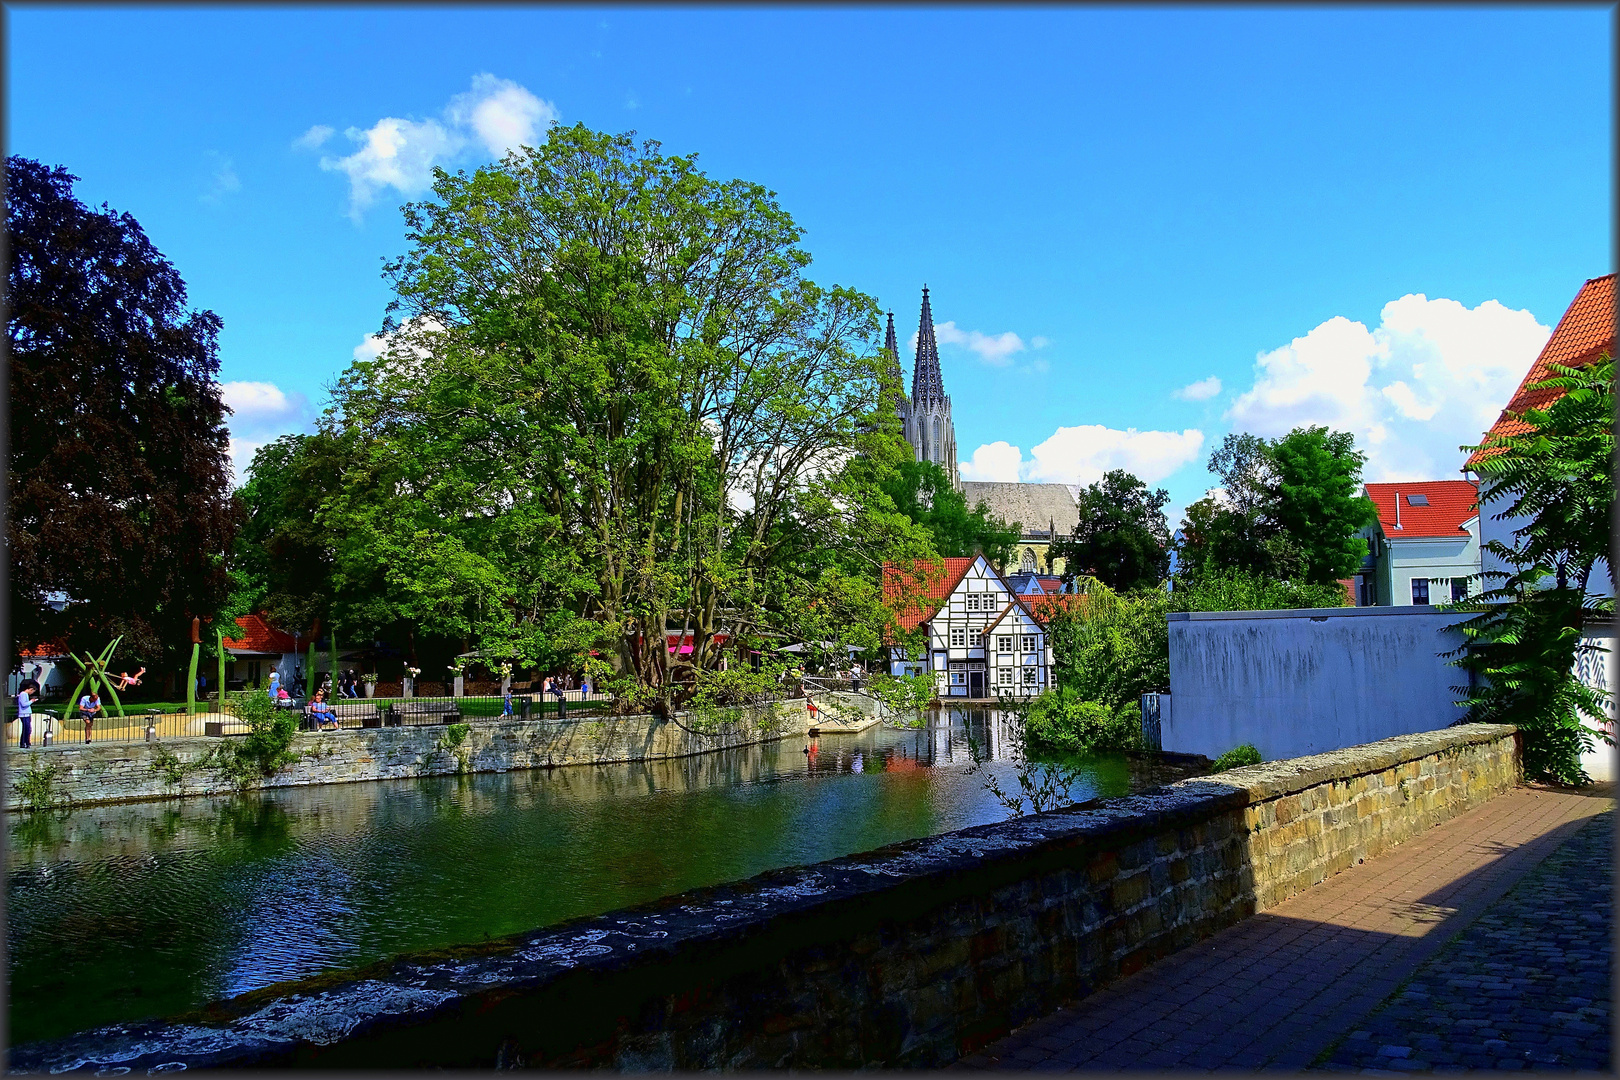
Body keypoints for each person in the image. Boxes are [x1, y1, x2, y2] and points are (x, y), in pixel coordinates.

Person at [16, 679, 38, 748]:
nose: (32, 693)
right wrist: (31, 701)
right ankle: (25, 742)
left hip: (27, 714)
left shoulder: (24, 695)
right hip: (24, 714)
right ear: (30, 689)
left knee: (28, 729)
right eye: (33, 691)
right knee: (26, 729)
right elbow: (24, 704)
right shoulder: (23, 694)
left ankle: (26, 742)